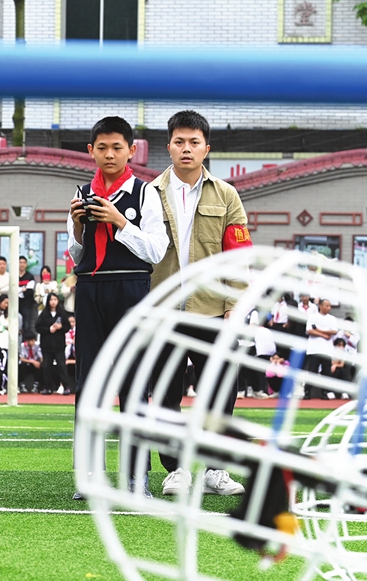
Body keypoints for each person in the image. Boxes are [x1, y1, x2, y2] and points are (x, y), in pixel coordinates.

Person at [147, 110, 250, 498]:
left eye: (194, 142)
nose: (186, 149)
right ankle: (175, 470)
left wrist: (236, 305)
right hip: (165, 309)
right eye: (179, 141)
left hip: (213, 309)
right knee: (167, 392)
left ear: (207, 147)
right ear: (168, 146)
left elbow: (238, 252)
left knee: (222, 391)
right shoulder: (149, 193)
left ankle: (215, 470)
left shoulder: (226, 194)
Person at [67, 115, 170, 497]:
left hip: (131, 287)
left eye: (117, 147)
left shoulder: (145, 194)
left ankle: (136, 477)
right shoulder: (80, 192)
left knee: (133, 382)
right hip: (90, 288)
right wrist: (79, 227)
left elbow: (157, 252)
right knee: (89, 382)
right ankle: (88, 475)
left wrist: (119, 222)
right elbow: (75, 252)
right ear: (90, 151)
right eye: (102, 147)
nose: (110, 154)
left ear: (131, 150)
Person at [36, 293, 71, 394]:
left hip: (59, 345)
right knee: (46, 366)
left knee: (61, 366)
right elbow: (38, 327)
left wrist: (60, 328)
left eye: (55, 299)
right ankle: (47, 387)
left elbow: (67, 326)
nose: (53, 302)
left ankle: (66, 386)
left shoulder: (61, 313)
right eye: (51, 300)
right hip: (47, 345)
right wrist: (48, 329)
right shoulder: (44, 314)